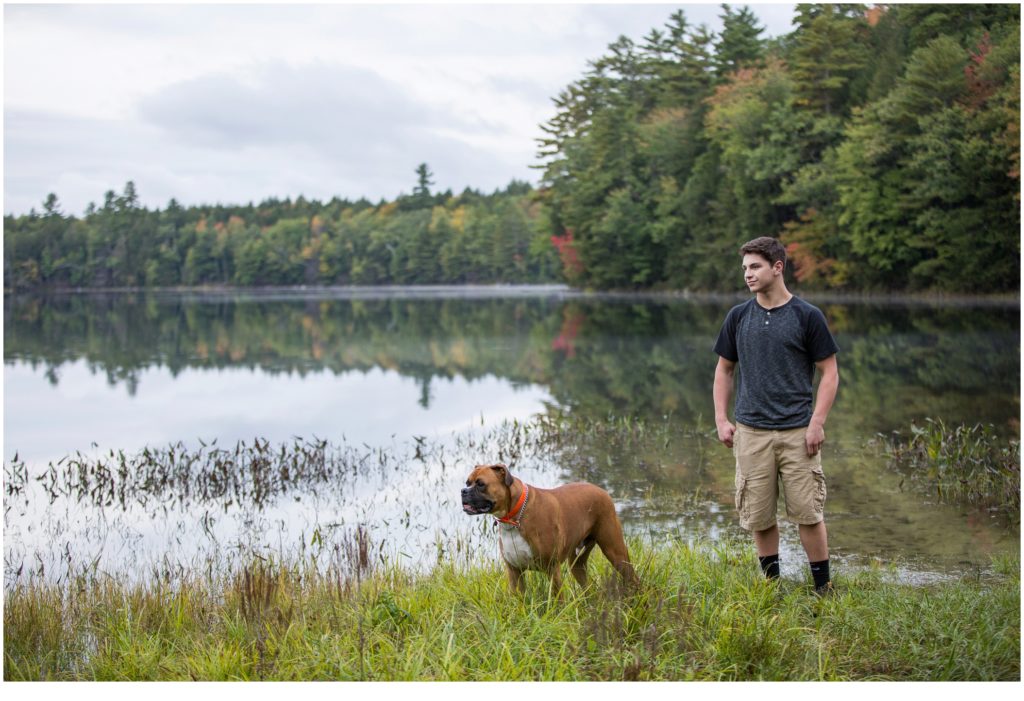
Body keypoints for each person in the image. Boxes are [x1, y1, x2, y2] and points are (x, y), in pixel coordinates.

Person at [712, 236, 840, 596]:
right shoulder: (738, 317)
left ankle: (822, 587)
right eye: (745, 269)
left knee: (808, 513)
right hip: (751, 433)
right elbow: (724, 370)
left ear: (777, 267)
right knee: (759, 516)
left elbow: (829, 372)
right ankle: (771, 587)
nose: (748, 275)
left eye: (755, 267)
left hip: (798, 432)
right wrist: (722, 419)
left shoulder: (806, 316)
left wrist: (817, 423)